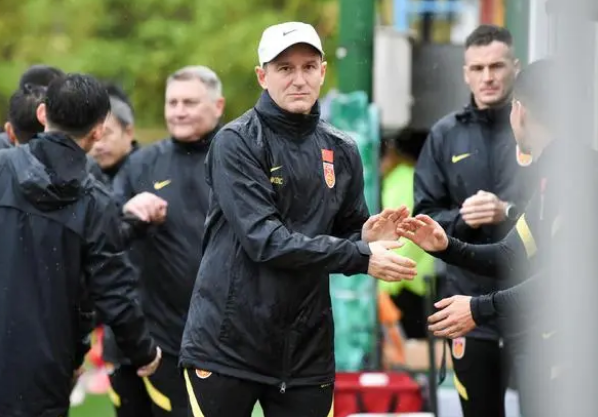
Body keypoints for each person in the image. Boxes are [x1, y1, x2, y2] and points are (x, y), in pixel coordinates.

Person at [179, 21, 417, 417]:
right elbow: (265, 241)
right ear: (263, 76)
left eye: (308, 67)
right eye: (285, 68)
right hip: (228, 345)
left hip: (306, 351)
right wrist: (360, 255)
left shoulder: (342, 148)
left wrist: (364, 234)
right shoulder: (236, 141)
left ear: (323, 72)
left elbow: (343, 232)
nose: (299, 79)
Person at [399, 58, 598, 417]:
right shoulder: (555, 173)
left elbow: (565, 279)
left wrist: (479, 308)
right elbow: (513, 254)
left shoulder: (576, 175)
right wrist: (447, 246)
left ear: (519, 112)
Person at [0, 73, 162, 417]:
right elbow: (113, 290)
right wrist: (144, 351)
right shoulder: (95, 201)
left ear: (43, 113)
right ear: (98, 131)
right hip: (43, 370)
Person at [412, 24, 534, 417]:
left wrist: (507, 211)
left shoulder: (533, 128)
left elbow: (558, 204)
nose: (488, 77)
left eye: (497, 66)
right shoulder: (445, 134)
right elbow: (424, 218)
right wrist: (462, 218)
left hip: (532, 305)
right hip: (469, 306)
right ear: (465, 73)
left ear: (515, 67)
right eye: (478, 68)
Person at [104, 65, 225, 417]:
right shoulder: (141, 164)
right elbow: (104, 228)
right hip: (155, 338)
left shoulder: (237, 159)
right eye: (172, 103)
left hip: (222, 338)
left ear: (218, 106)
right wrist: (127, 209)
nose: (179, 111)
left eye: (189, 102)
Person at [379, 132, 435, 339]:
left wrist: (385, 282)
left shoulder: (401, 180)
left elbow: (404, 233)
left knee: (412, 344)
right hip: (411, 277)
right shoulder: (403, 177)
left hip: (406, 281)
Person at [89, 83, 139, 184]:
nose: (98, 146)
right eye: (91, 136)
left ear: (128, 132)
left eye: (105, 134)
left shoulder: (149, 172)